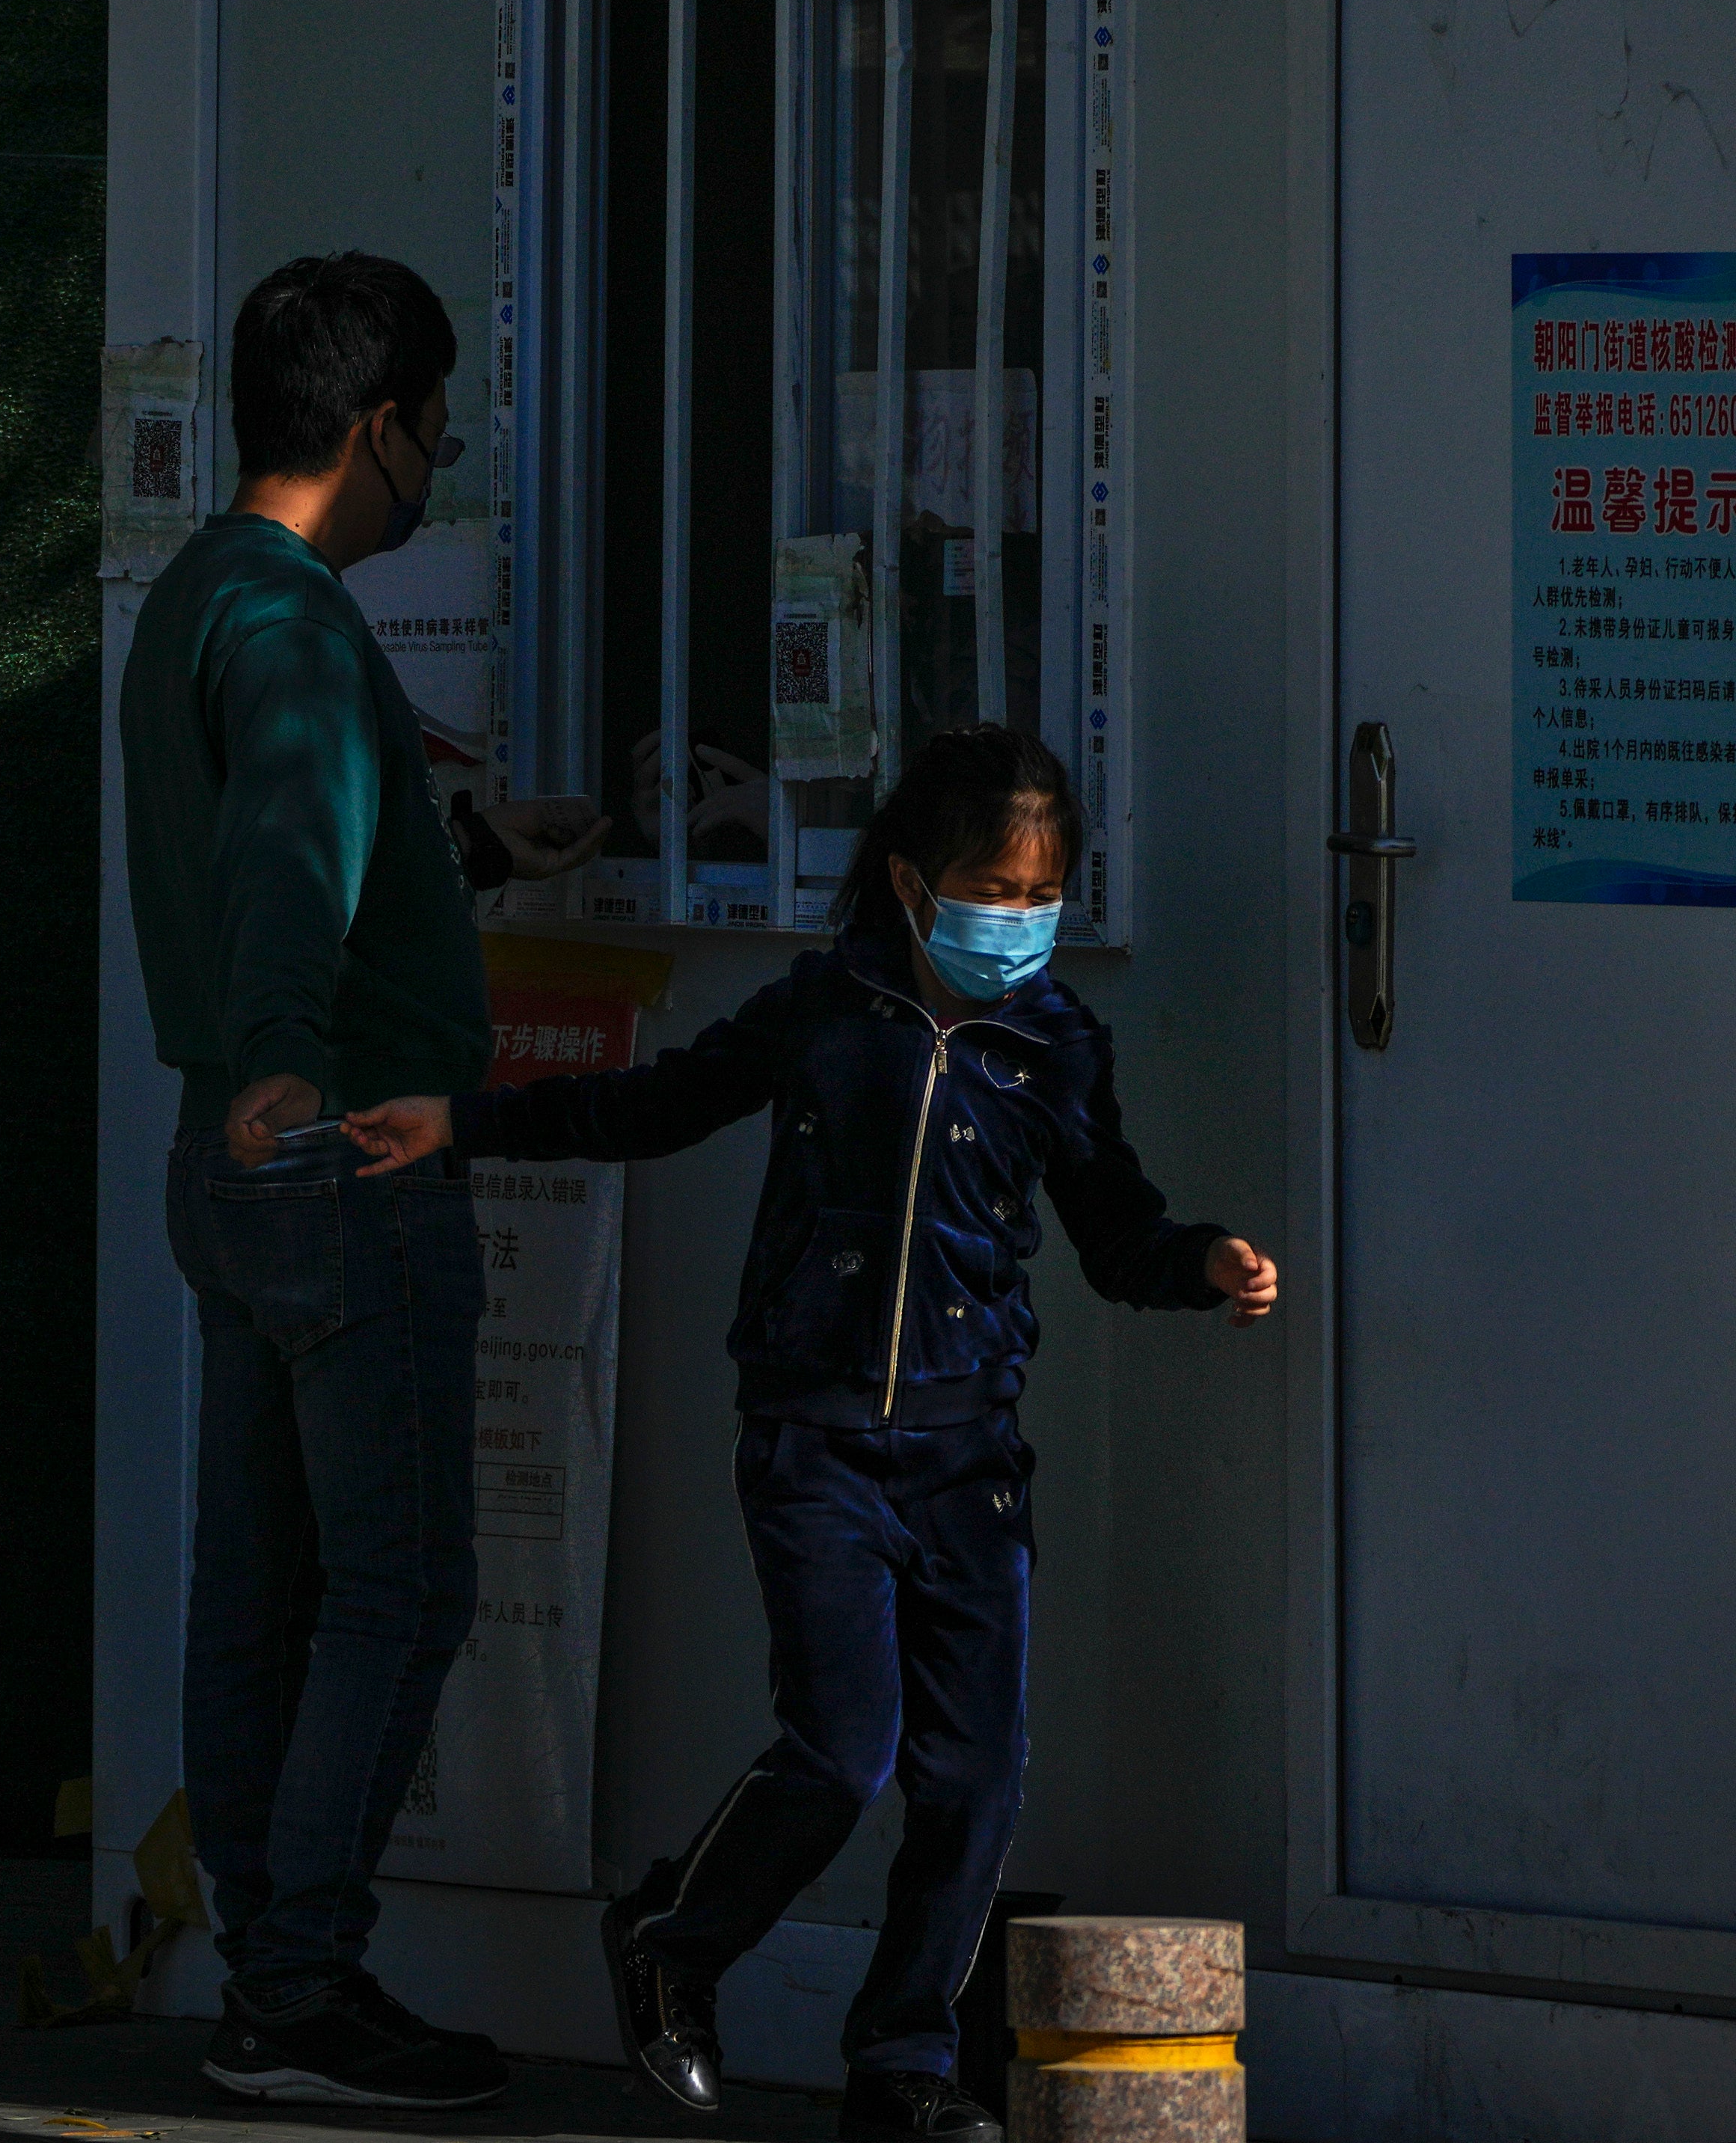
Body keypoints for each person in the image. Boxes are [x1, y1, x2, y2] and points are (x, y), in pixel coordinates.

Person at [348, 725, 1282, 2143]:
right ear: (912, 882)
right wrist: (461, 1125)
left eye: (1045, 896)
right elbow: (651, 1107)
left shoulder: (1054, 1049)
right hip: (816, 1438)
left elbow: (1116, 1232)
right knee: (844, 1750)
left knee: (973, 1774)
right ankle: (673, 1933)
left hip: (972, 1459)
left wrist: (1203, 1258)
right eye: (993, 889)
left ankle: (902, 2063)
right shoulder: (823, 1011)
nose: (1019, 923)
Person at [114, 254, 566, 2113]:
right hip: (340, 1152)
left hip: (229, 1155)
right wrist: (298, 1051)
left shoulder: (198, 596)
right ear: (376, 425)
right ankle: (303, 1984)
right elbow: (291, 854)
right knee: (398, 1587)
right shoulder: (297, 619)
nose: (438, 471)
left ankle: (261, 1968)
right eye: (436, 436)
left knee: (260, 1582)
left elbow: (310, 832)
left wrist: (473, 846)